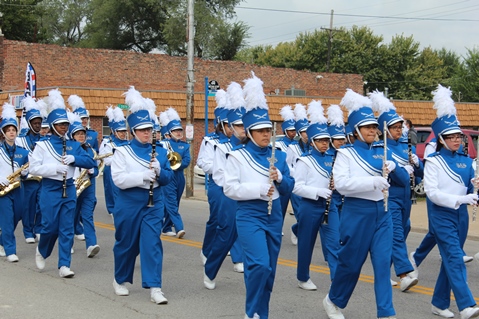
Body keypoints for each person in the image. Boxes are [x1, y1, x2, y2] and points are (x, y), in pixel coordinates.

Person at [322, 89, 408, 319]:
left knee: (382, 266)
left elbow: (404, 181)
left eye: (374, 127)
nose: (373, 130)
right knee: (351, 265)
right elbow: (341, 185)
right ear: (356, 130)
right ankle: (333, 300)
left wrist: (395, 167)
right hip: (356, 214)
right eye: (368, 127)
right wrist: (372, 181)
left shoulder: (383, 150)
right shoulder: (346, 154)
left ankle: (386, 313)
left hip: (383, 214)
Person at [223, 72, 294, 319]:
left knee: (269, 270)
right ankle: (250, 311)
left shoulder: (280, 156)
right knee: (259, 265)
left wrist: (281, 179)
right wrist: (259, 190)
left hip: (274, 215)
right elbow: (229, 189)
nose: (266, 134)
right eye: (260, 131)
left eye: (268, 130)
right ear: (250, 133)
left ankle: (261, 313)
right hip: (249, 215)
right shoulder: (237, 156)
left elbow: (290, 187)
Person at [421, 85, 479, 319]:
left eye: (459, 136)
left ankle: (438, 302)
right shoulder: (434, 162)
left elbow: (470, 188)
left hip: (461, 217)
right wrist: (462, 198)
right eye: (451, 137)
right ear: (442, 140)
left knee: (449, 261)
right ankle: (466, 305)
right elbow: (432, 193)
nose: (457, 140)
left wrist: (475, 189)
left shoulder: (468, 161)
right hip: (441, 215)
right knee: (455, 258)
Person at [111, 86, 173, 304]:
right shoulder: (122, 152)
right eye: (143, 130)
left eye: (150, 129)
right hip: (129, 203)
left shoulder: (161, 151)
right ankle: (120, 279)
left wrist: (159, 170)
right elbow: (118, 179)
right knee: (126, 244)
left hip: (154, 203)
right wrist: (142, 176)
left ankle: (155, 286)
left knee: (152, 243)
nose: (147, 133)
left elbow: (167, 178)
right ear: (133, 131)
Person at [29, 89, 95, 278]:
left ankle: (64, 264)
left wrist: (75, 158)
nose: (64, 127)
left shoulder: (74, 145)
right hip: (50, 188)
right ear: (52, 125)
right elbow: (33, 168)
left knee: (66, 228)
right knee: (49, 226)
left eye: (66, 124)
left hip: (70, 188)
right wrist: (54, 169)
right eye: (60, 124)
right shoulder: (42, 145)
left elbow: (91, 162)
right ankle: (42, 250)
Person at [370, 90, 423, 292]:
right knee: (397, 234)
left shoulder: (404, 145)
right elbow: (399, 178)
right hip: (390, 197)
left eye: (400, 126)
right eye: (395, 127)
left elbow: (420, 174)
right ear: (385, 129)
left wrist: (417, 164)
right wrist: (402, 170)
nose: (399, 130)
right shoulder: (379, 148)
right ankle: (405, 273)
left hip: (406, 197)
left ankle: (384, 272)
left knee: (404, 228)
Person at [203, 84, 245, 290]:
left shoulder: (256, 148)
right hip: (228, 194)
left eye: (245, 126)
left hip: (252, 198)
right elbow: (219, 175)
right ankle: (211, 267)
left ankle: (242, 261)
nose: (242, 130)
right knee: (226, 231)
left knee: (252, 233)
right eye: (236, 126)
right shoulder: (219, 146)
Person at [292, 100, 336, 291]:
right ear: (312, 141)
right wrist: (318, 192)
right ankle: (303, 277)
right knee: (306, 244)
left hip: (331, 206)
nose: (325, 144)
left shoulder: (334, 158)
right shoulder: (305, 161)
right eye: (321, 141)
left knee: (335, 243)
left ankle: (337, 277)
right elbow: (297, 187)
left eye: (327, 140)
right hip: (310, 206)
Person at [0, 102, 30, 262]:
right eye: (8, 130)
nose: (11, 133)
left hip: (18, 188)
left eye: (13, 130)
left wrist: (25, 172)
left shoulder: (23, 152)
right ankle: (10, 250)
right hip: (3, 189)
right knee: (6, 218)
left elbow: (26, 173)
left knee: (17, 216)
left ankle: (1, 240)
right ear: (3, 133)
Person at [68, 111, 100, 258]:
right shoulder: (67, 149)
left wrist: (93, 170)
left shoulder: (90, 149)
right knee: (71, 216)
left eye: (83, 134)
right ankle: (68, 244)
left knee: (87, 215)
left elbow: (97, 168)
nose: (81, 136)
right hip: (73, 186)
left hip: (87, 187)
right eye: (78, 134)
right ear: (72, 136)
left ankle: (91, 244)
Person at [15, 96, 43, 244]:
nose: (38, 125)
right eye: (35, 123)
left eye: (39, 123)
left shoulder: (44, 140)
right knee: (28, 207)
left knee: (41, 206)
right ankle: (28, 231)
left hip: (42, 178)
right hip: (28, 180)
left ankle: (38, 228)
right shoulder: (21, 140)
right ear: (30, 123)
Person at [160, 107, 190, 238]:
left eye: (179, 130)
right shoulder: (163, 144)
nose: (178, 133)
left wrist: (178, 164)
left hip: (180, 176)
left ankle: (166, 226)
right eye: (175, 131)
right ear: (170, 132)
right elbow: (161, 158)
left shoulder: (185, 145)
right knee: (171, 201)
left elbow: (187, 160)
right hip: (169, 176)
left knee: (175, 202)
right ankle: (179, 227)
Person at [99, 106, 129, 218]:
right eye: (120, 131)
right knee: (112, 190)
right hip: (111, 169)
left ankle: (122, 208)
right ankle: (113, 209)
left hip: (125, 169)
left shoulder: (128, 142)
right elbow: (105, 159)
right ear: (114, 132)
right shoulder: (107, 142)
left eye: (124, 131)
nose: (123, 134)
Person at [288, 103, 310, 245]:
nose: (307, 135)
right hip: (297, 184)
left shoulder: (314, 147)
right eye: (304, 132)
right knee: (301, 213)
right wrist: (297, 174)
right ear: (299, 134)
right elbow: (287, 164)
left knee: (308, 214)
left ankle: (296, 229)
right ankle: (299, 230)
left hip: (310, 184)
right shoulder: (293, 147)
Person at [278, 105, 298, 218]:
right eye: (290, 130)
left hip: (295, 180)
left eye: (294, 130)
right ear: (285, 131)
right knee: (281, 208)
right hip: (284, 178)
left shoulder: (297, 145)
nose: (293, 133)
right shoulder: (278, 144)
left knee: (298, 210)